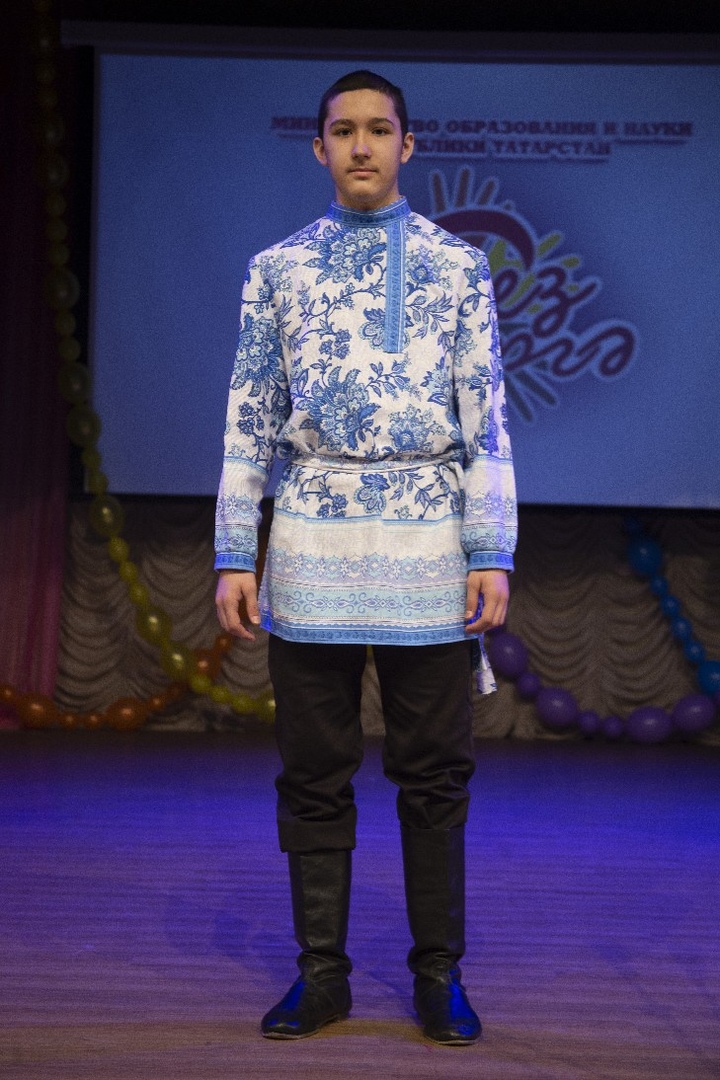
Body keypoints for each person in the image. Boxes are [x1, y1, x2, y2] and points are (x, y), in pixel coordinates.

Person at [215, 69, 517, 1045]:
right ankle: (321, 976)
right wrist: (234, 551)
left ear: (406, 145)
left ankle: (439, 977)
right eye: (342, 130)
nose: (360, 145)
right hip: (311, 547)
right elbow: (249, 416)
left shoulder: (458, 267)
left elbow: (487, 416)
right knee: (314, 774)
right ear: (318, 148)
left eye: (378, 129)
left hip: (430, 551)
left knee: (435, 775)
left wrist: (492, 549)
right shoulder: (277, 269)